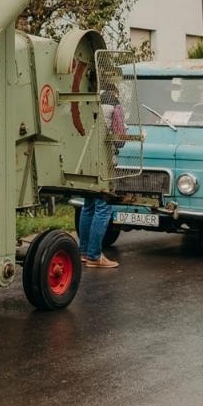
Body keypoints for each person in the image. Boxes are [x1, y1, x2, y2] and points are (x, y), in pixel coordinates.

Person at [78, 88, 129, 270]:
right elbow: (120, 139)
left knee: (88, 206)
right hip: (105, 162)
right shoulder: (114, 104)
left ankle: (83, 253)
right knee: (103, 208)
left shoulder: (87, 97)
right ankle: (94, 256)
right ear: (115, 90)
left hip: (86, 160)